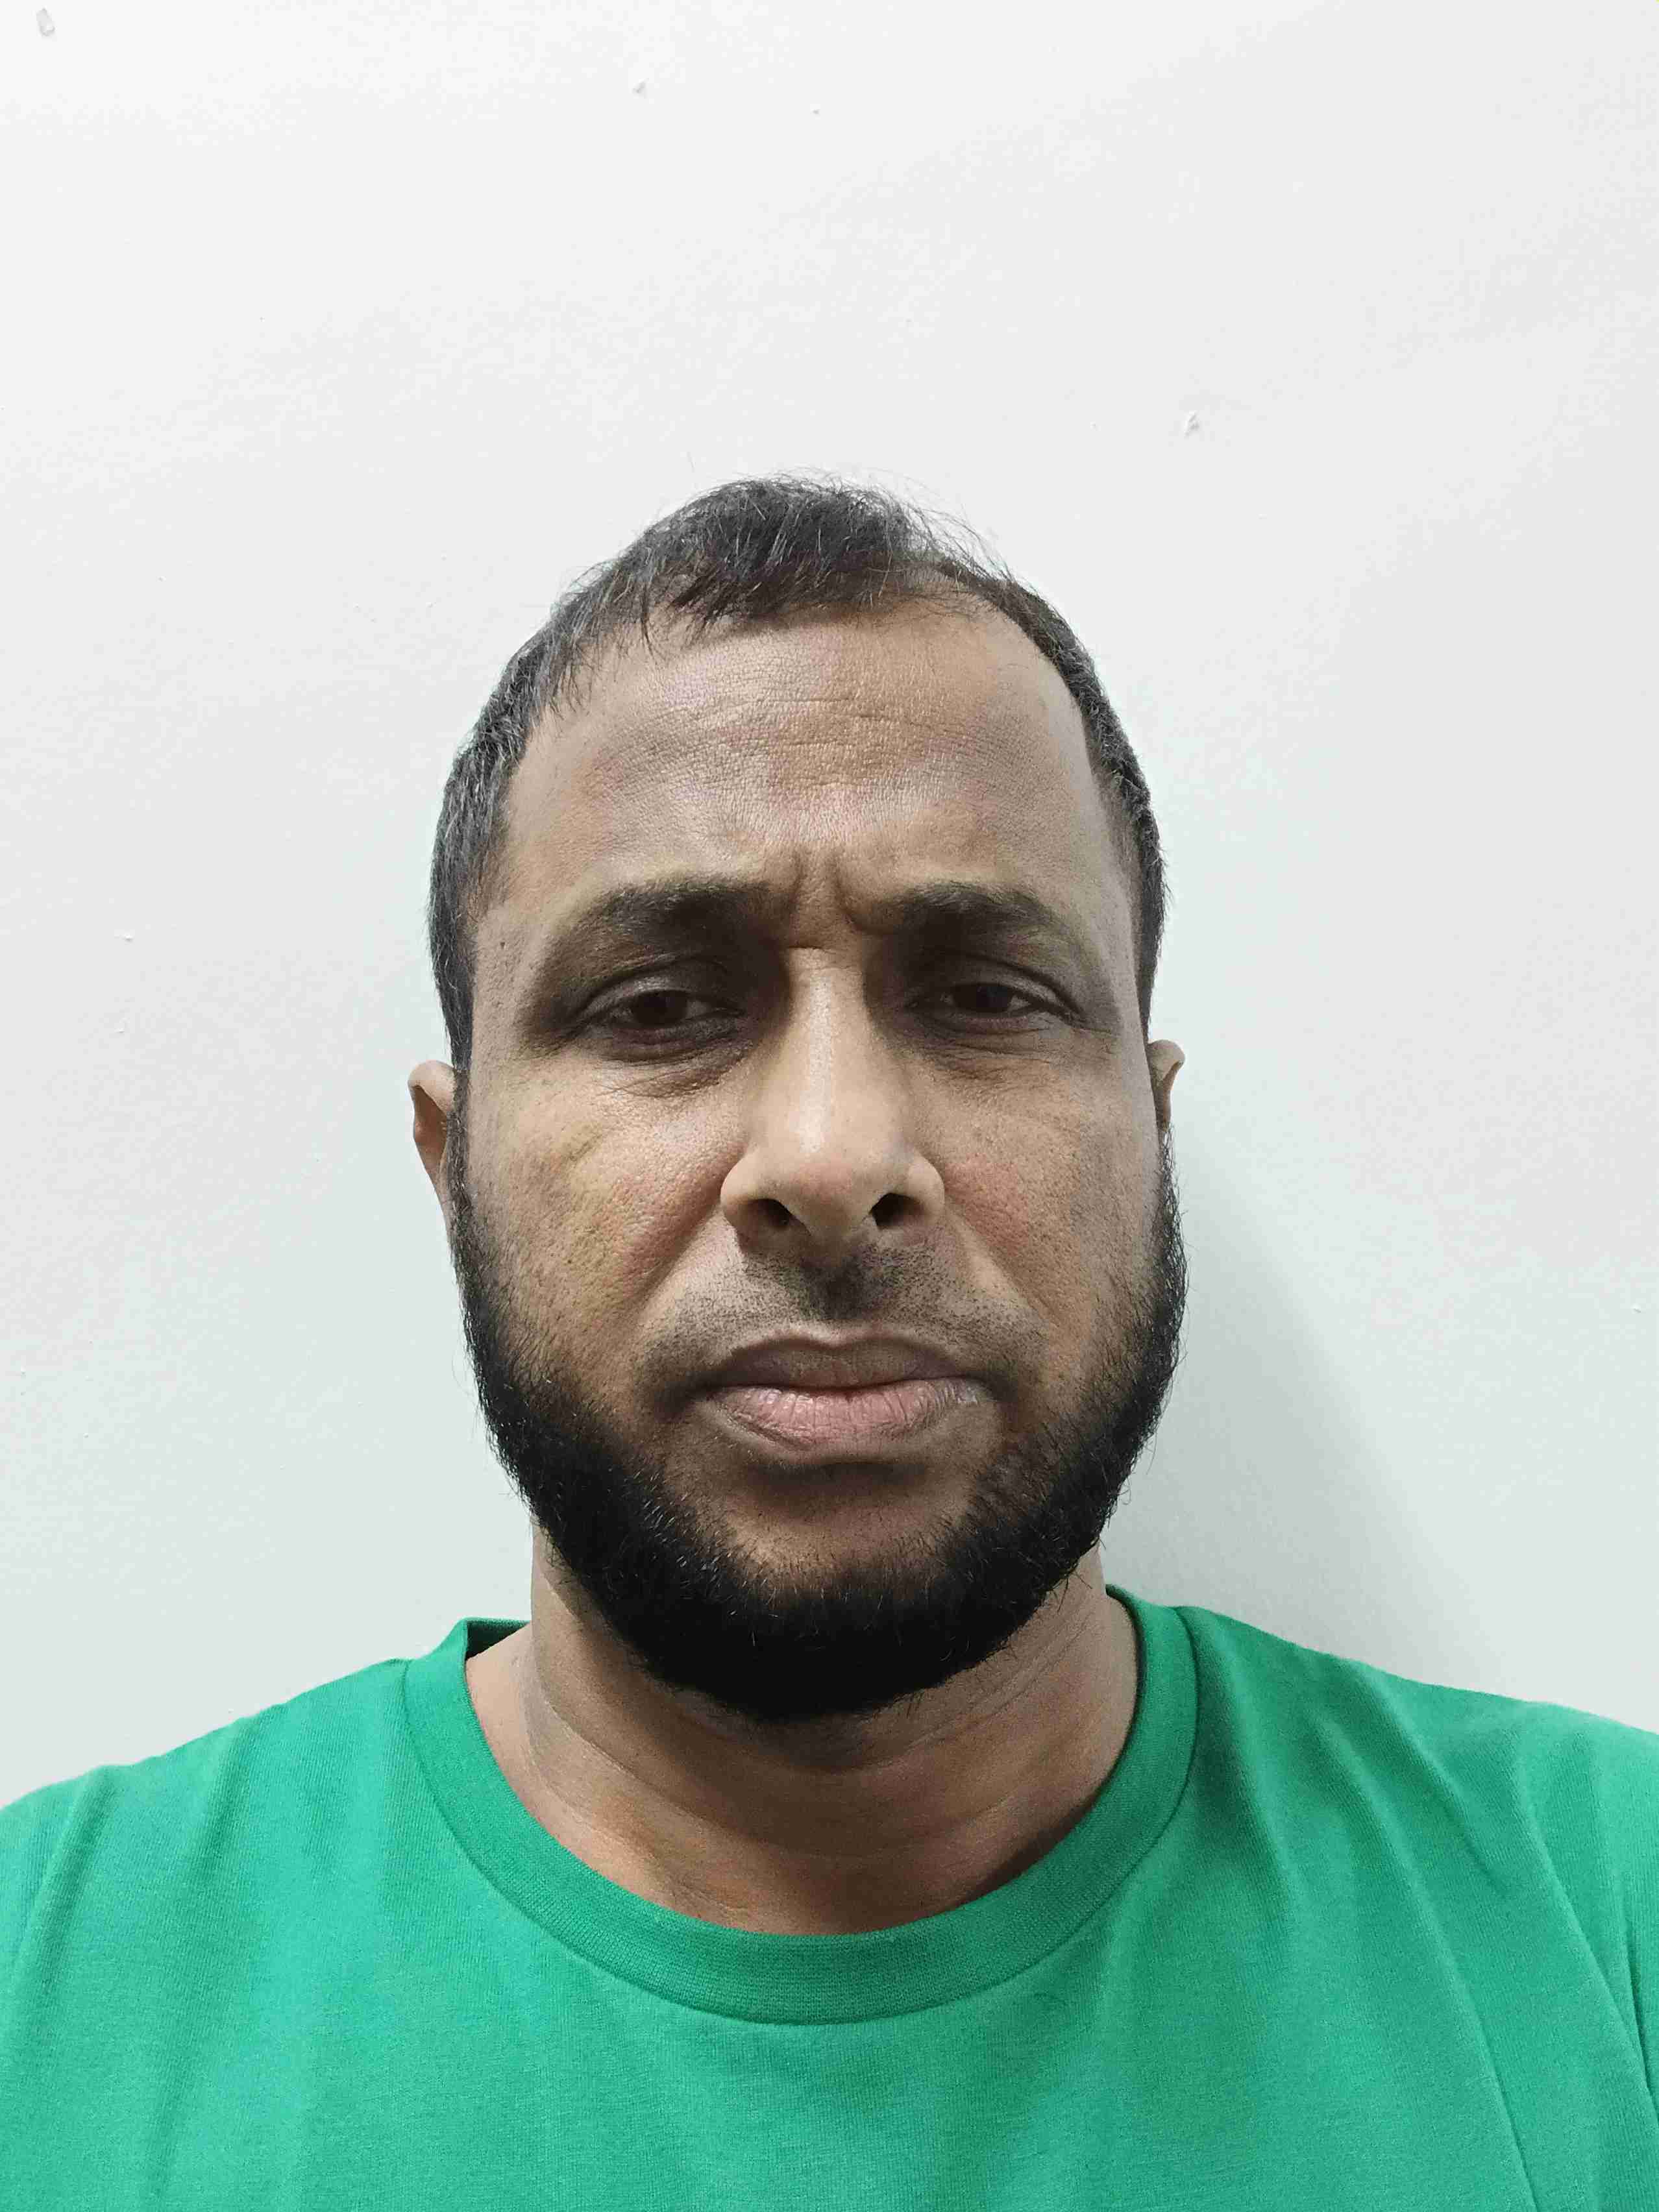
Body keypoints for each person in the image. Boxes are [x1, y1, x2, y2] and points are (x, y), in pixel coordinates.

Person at [3, 474, 1654, 2207]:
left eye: (987, 997)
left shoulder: (1607, 1932)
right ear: (453, 1163)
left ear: (1150, 1137)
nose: (830, 1155)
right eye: (659, 1006)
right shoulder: (43, 2004)